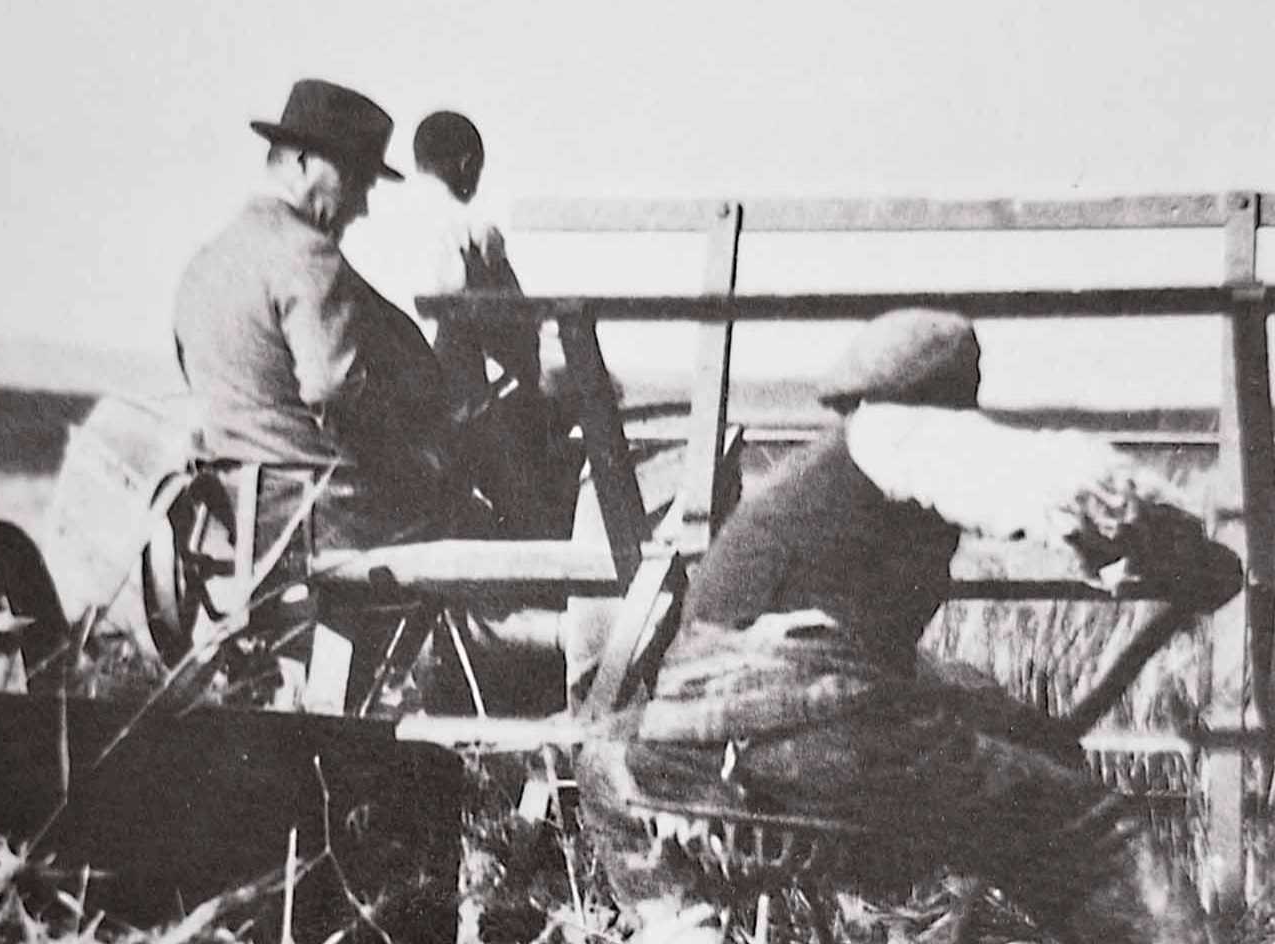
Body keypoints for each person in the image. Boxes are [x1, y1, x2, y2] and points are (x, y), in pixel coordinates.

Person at [577, 309, 1237, 943]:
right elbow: (1068, 483)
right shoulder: (899, 431)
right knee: (1096, 838)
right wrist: (1175, 546)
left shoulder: (811, 490)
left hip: (679, 752)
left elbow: (868, 665)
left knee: (613, 775)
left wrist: (1017, 726)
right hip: (822, 729)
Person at [171, 79, 467, 706]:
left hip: (234, 512)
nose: (361, 205)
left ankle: (310, 688)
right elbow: (336, 390)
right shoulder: (309, 255)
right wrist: (419, 460)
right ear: (304, 162)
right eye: (355, 180)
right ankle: (400, 703)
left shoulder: (207, 260)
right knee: (463, 509)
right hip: (318, 516)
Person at [343, 110, 576, 541]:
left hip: (377, 406)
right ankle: (538, 553)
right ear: (467, 165)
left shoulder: (364, 223)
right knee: (530, 463)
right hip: (446, 412)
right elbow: (517, 336)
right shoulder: (470, 228)